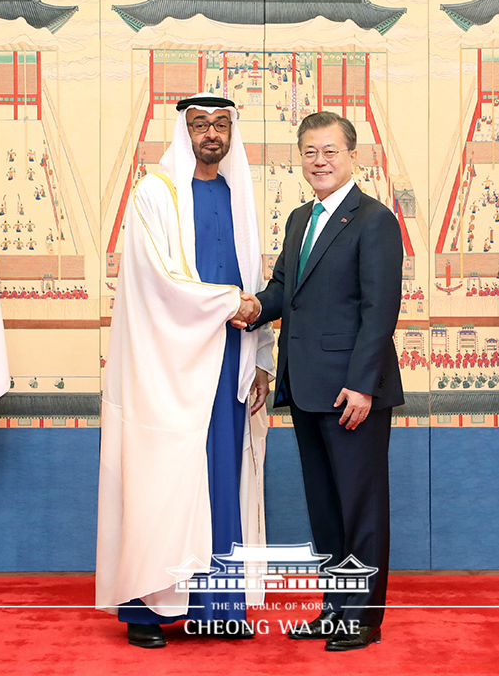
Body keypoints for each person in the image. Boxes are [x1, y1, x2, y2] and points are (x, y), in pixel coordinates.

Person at [97, 93, 273, 648]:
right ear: (184, 130)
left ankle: (217, 608)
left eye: (221, 125)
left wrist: (262, 359)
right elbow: (160, 282)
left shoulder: (237, 195)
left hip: (225, 366)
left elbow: (254, 275)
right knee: (162, 480)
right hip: (166, 370)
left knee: (221, 479)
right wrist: (231, 304)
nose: (211, 134)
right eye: (200, 125)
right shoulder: (156, 194)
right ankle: (147, 613)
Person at [244, 111, 403, 651]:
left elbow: (381, 310)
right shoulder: (299, 219)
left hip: (352, 393)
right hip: (308, 388)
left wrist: (362, 385)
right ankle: (335, 608)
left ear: (353, 156)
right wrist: (240, 307)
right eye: (310, 152)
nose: (320, 161)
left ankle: (363, 617)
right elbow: (282, 291)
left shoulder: (374, 219)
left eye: (330, 151)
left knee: (360, 506)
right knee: (327, 508)